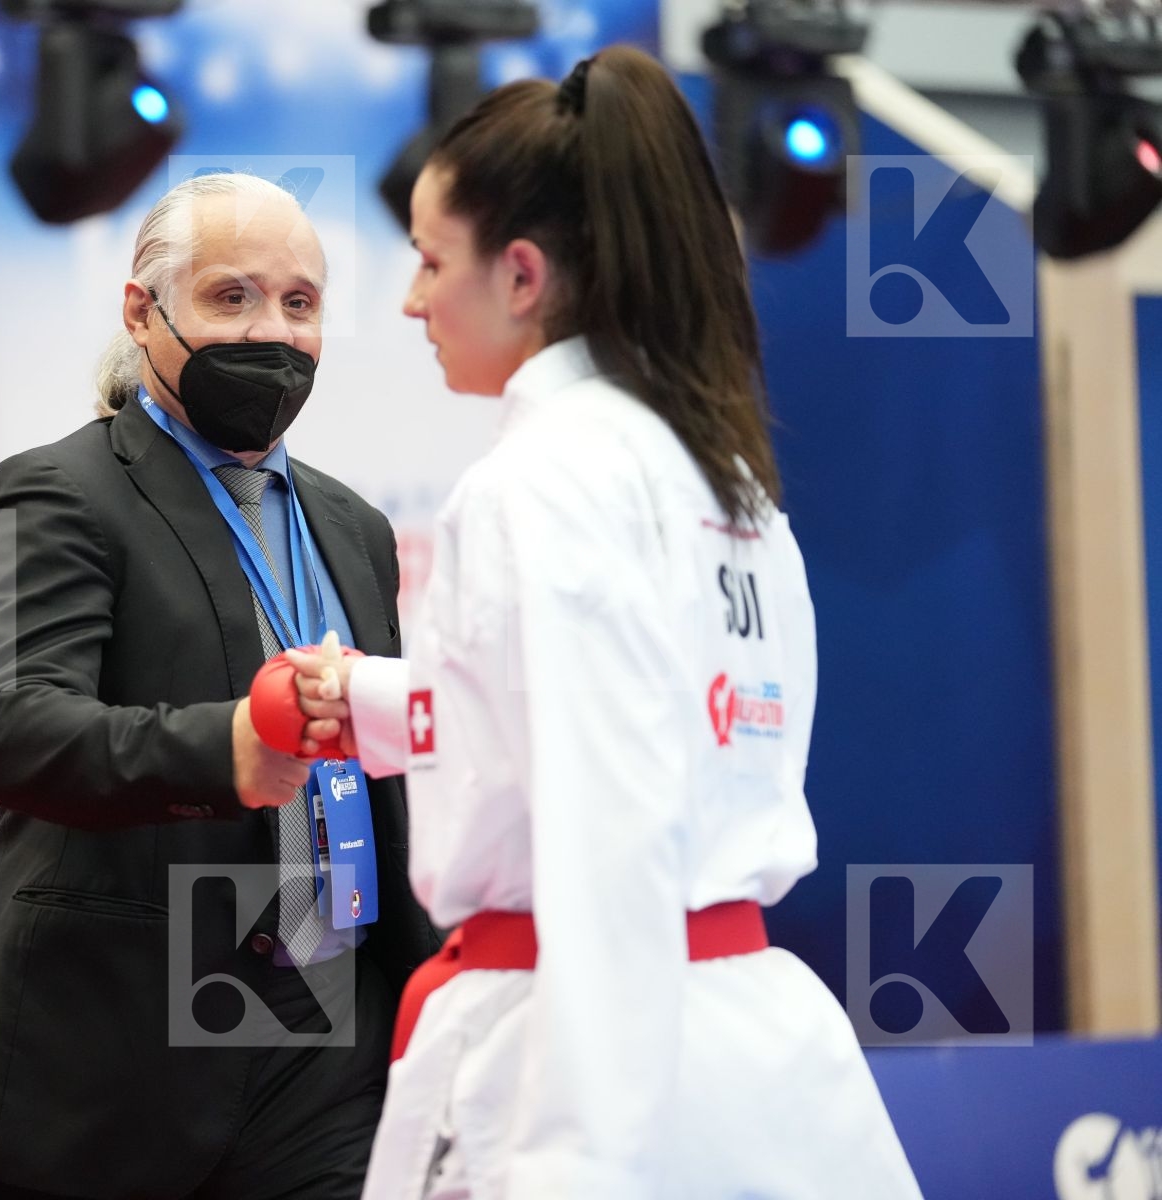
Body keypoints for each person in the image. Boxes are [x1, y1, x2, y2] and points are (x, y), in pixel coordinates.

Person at [286, 47, 925, 1199]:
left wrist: (572, 1164)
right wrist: (371, 700)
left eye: (432, 260)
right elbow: (618, 731)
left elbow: (608, 832)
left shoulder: (541, 483)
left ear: (522, 276)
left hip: (582, 1055)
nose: (411, 297)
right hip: (756, 1054)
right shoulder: (724, 475)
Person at [0, 173, 440, 1200]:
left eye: (299, 303)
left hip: (335, 1037)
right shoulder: (52, 491)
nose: (272, 333)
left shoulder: (355, 528)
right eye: (230, 297)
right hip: (116, 1054)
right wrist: (225, 749)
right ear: (142, 311)